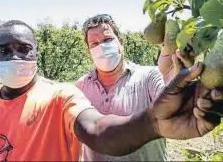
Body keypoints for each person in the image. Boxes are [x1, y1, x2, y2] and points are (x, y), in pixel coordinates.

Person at [0, 20, 223, 161]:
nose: (15, 57)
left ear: (121, 43)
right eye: (5, 50)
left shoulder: (61, 95)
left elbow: (97, 129)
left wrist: (154, 121)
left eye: (23, 49)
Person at [76, 14, 222, 161]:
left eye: (107, 40)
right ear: (89, 51)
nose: (102, 47)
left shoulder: (149, 76)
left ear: (121, 43)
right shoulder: (80, 87)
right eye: (94, 44)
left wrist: (176, 78)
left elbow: (170, 98)